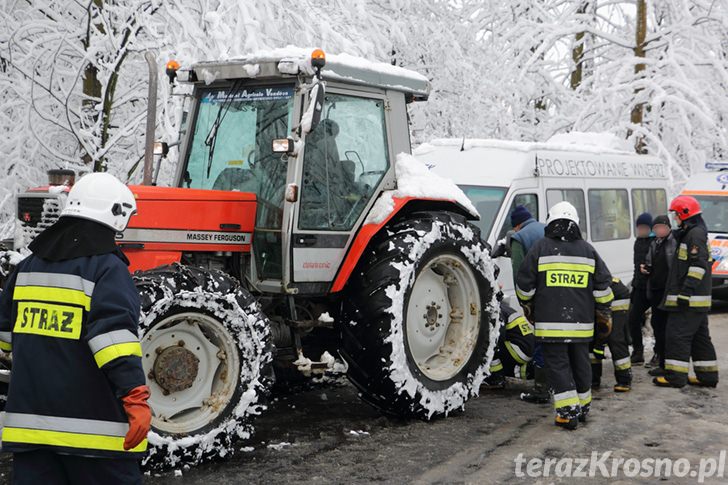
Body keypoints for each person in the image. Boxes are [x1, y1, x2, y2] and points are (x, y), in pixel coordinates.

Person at [0, 173, 151, 484]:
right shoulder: (107, 269)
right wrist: (135, 395)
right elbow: (114, 342)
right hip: (95, 437)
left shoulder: (26, 268)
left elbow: (4, 337)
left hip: (31, 431)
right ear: (116, 214)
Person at [517, 201, 613, 430]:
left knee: (558, 366)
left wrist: (528, 304)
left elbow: (524, 286)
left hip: (550, 326)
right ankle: (582, 408)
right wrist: (602, 311)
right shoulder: (588, 250)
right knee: (581, 365)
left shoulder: (540, 248)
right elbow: (603, 288)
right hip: (581, 325)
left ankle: (568, 413)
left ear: (550, 222)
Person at [654, 196, 718, 389]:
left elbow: (698, 267)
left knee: (677, 335)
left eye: (675, 215)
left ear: (684, 213)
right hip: (696, 301)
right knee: (700, 339)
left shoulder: (695, 235)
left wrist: (685, 293)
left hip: (689, 300)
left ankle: (675, 377)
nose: (674, 219)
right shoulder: (692, 233)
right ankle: (707, 377)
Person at [506, 205, 548, 404]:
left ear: (516, 225)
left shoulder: (519, 238)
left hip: (540, 298)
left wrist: (526, 305)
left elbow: (519, 275)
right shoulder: (546, 228)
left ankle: (541, 389)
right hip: (560, 294)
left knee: (540, 339)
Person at [643, 215, 676, 374]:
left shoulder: (673, 242)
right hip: (655, 291)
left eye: (660, 227)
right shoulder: (654, 244)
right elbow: (650, 263)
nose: (657, 231)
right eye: (655, 228)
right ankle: (662, 362)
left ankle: (667, 365)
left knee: (667, 329)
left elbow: (675, 268)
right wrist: (646, 269)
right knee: (658, 326)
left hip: (668, 292)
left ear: (668, 228)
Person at [591, 277, 632, 392]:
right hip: (599, 300)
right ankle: (593, 380)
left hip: (617, 296)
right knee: (590, 339)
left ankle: (624, 380)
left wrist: (600, 345)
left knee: (615, 338)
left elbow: (603, 320)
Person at [484, 300, 535, 388]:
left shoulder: (496, 311)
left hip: (518, 350)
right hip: (526, 349)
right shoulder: (506, 309)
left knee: (490, 343)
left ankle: (496, 378)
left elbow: (498, 335)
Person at [628, 212, 654, 365]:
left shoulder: (655, 242)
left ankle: (659, 353)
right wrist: (635, 286)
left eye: (644, 227)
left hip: (654, 287)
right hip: (640, 288)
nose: (641, 230)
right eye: (639, 228)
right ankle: (638, 352)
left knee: (657, 322)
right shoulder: (638, 242)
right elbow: (636, 267)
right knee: (633, 318)